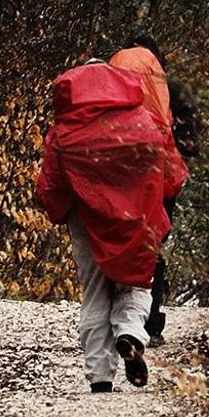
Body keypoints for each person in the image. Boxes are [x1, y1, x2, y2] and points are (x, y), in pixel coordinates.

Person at [36, 59, 172, 393]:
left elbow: (50, 183)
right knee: (136, 281)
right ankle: (130, 334)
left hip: (85, 215)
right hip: (136, 215)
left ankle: (100, 376)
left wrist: (61, 209)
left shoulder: (66, 129)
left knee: (95, 289)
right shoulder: (143, 120)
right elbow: (168, 170)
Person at [108, 36, 193, 346]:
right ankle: (150, 323)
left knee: (116, 238)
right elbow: (191, 140)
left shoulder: (111, 77)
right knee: (154, 244)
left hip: (116, 166)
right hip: (161, 172)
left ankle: (112, 320)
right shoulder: (170, 88)